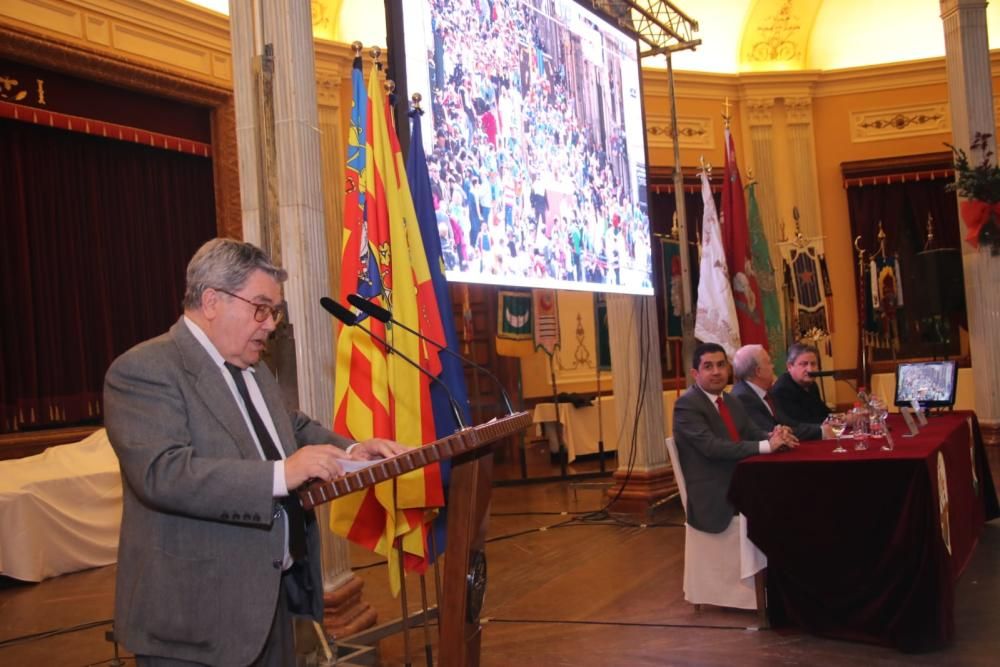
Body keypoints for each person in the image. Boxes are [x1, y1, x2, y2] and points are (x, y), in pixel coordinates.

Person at [104, 238, 405, 666]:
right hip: (194, 621)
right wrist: (281, 475)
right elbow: (162, 473)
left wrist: (352, 450)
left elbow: (291, 426)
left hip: (270, 602)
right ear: (211, 301)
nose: (270, 325)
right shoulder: (145, 370)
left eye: (274, 311)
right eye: (261, 308)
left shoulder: (254, 367)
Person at [672, 343, 799, 534]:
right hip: (715, 492)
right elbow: (713, 447)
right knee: (778, 497)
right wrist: (767, 445)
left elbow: (753, 432)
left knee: (792, 489)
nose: (716, 372)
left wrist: (774, 435)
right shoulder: (687, 405)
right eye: (708, 366)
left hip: (741, 479)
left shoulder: (730, 400)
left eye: (721, 365)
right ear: (695, 373)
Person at [731, 344, 831, 441]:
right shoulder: (743, 397)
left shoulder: (765, 392)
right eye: (769, 363)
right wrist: (821, 431)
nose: (773, 367)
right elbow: (772, 432)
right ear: (758, 371)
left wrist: (821, 429)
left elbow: (788, 423)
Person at [769, 343, 832, 427]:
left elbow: (823, 412)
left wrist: (842, 418)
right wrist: (836, 421)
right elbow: (801, 422)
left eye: (813, 364)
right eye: (804, 364)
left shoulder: (812, 385)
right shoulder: (782, 389)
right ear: (789, 366)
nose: (810, 369)